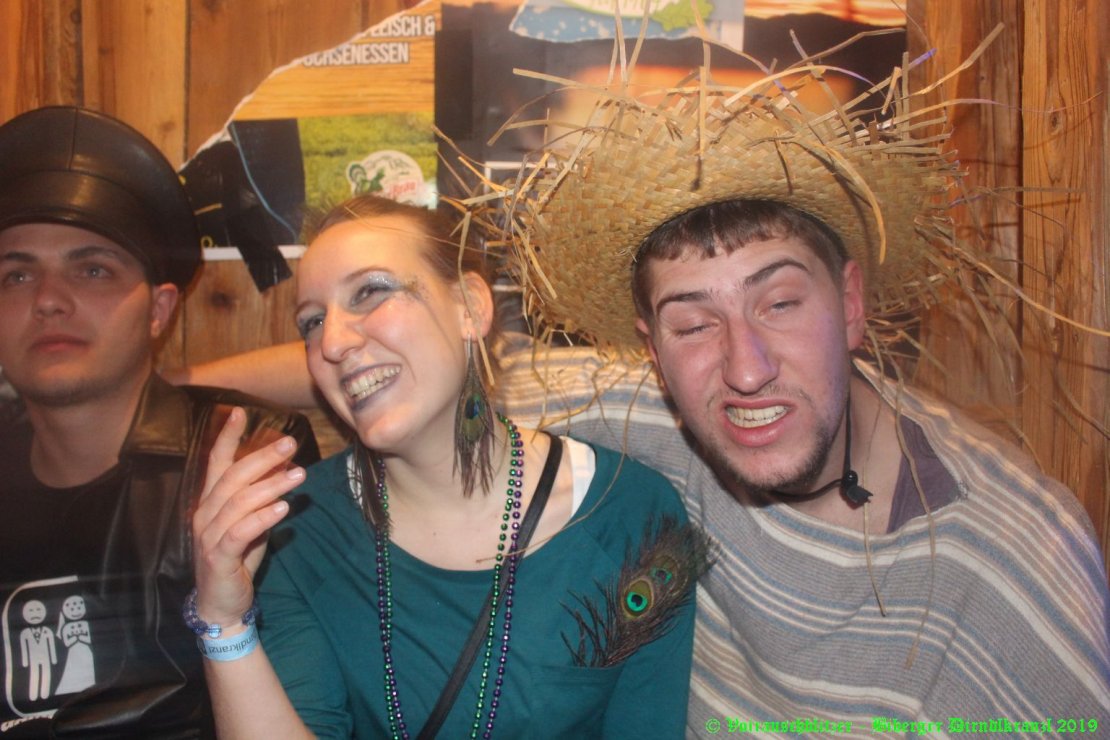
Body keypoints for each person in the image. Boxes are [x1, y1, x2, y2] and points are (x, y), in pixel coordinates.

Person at [176, 44, 1110, 733]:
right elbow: (396, 373)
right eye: (693, 323)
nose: (744, 367)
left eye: (781, 302)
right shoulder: (636, 417)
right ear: (651, 352)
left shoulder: (1007, 557)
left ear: (853, 302)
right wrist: (170, 383)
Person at [190, 194, 699, 738]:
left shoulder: (628, 514)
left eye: (371, 291)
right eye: (312, 322)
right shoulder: (296, 527)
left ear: (470, 308)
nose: (332, 342)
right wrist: (224, 623)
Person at [0, 105, 319, 738]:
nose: (49, 299)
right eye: (16, 273)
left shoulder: (241, 455)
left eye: (92, 269)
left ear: (159, 310)